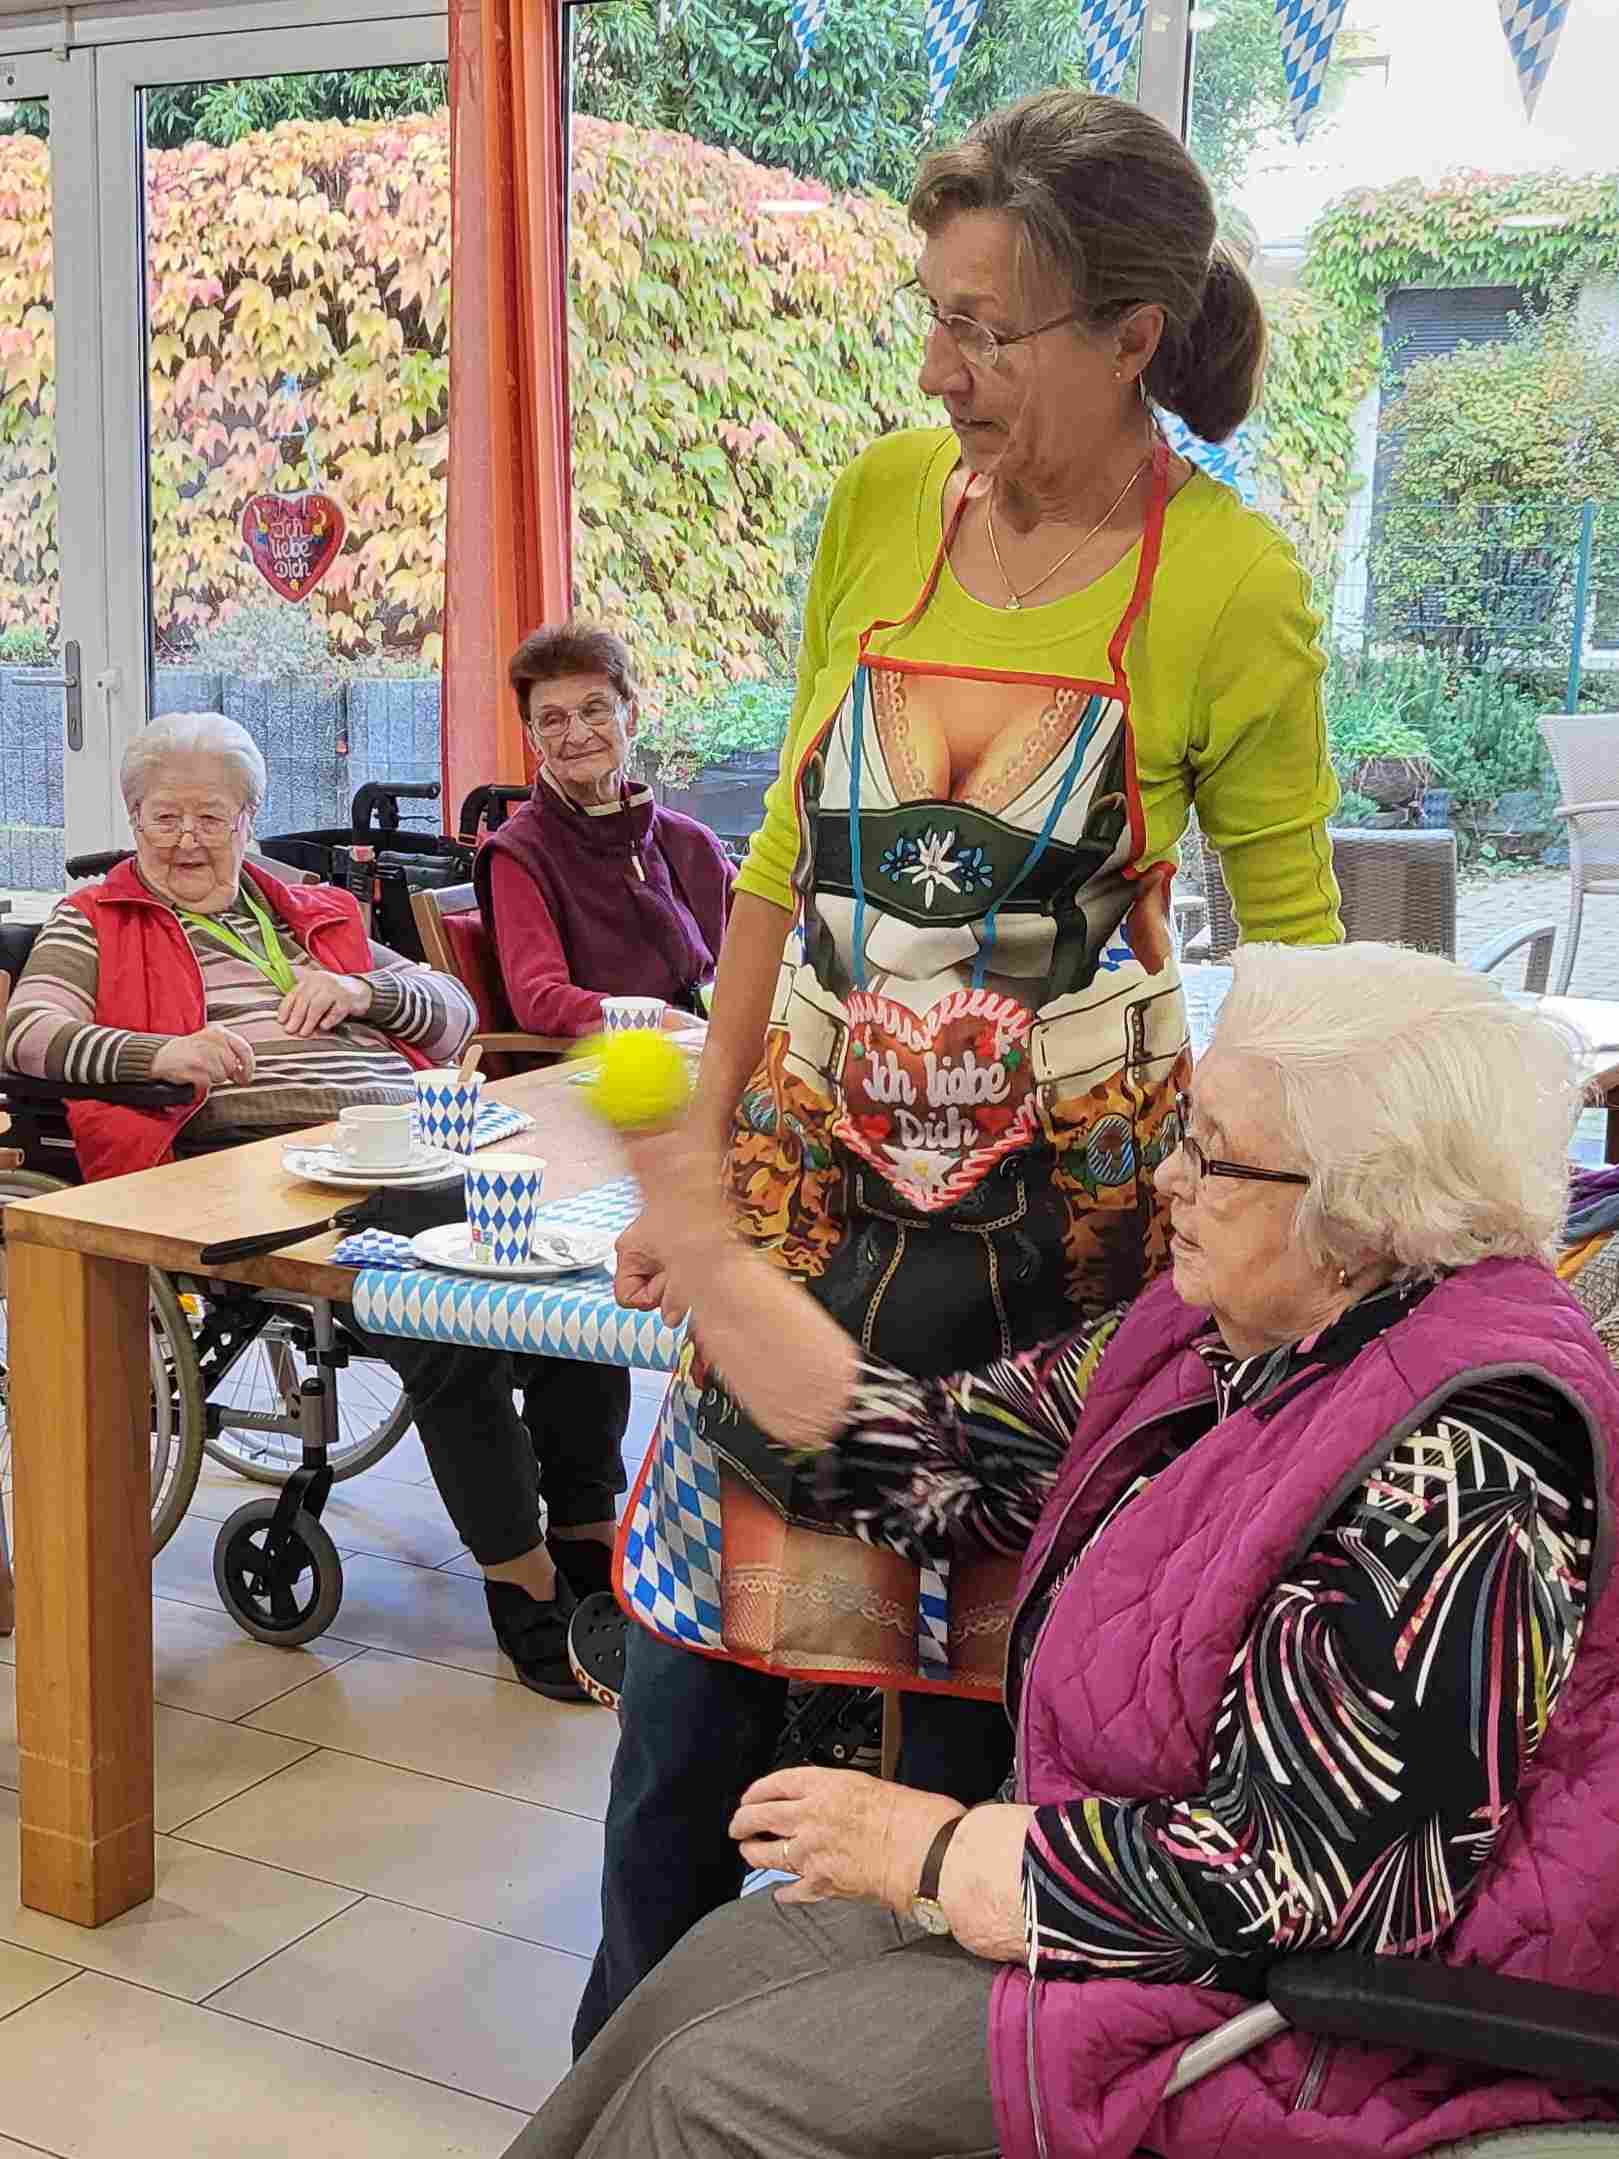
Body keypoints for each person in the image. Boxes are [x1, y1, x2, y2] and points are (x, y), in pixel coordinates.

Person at [569, 86, 1344, 2051]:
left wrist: (1261, 1227)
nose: (938, 367)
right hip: (802, 1241)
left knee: (973, 1775)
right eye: (932, 314)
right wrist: (704, 1160)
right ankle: (624, 2083)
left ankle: (902, 2091)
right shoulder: (871, 507)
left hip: (1047, 1305)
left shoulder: (1223, 588)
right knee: (680, 1753)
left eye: (983, 328)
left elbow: (1305, 965)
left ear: (1126, 342)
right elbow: (768, 862)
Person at [512, 942, 1619, 2159]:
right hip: (1123, 1893)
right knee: (714, 1960)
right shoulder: (1205, 1337)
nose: (1162, 1175)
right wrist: (710, 1251)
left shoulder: (1462, 1464)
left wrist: (930, 1848)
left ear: (1355, 1208)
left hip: (1307, 2015)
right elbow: (931, 1457)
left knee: (719, 2090)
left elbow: (1319, 1880)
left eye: (1209, 1151)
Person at [3, 710, 629, 1699]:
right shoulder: (95, 917)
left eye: (210, 815)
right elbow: (30, 1034)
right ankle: (524, 1582)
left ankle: (590, 1542)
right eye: (163, 816)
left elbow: (451, 1007)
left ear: (249, 816)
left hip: (401, 1135)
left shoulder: (308, 906)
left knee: (567, 1271)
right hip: (245, 1154)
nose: (185, 838)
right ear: (132, 816)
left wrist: (361, 993)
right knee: (448, 1305)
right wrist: (160, 1053)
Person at [473, 623, 734, 1040]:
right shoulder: (518, 854)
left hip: (714, 1050)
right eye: (552, 720)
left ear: (629, 716)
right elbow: (539, 998)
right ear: (532, 739)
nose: (576, 735)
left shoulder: (691, 842)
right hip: (603, 1072)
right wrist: (660, 1021)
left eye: (595, 709)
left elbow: (764, 945)